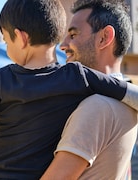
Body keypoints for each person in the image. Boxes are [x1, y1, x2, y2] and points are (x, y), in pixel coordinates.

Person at [0, 0, 138, 179]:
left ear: (22, 38)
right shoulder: (78, 76)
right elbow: (126, 92)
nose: (7, 50)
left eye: (6, 41)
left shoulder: (1, 79)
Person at [41, 0, 137, 179]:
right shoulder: (127, 104)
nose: (63, 45)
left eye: (73, 34)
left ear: (104, 37)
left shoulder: (97, 107)